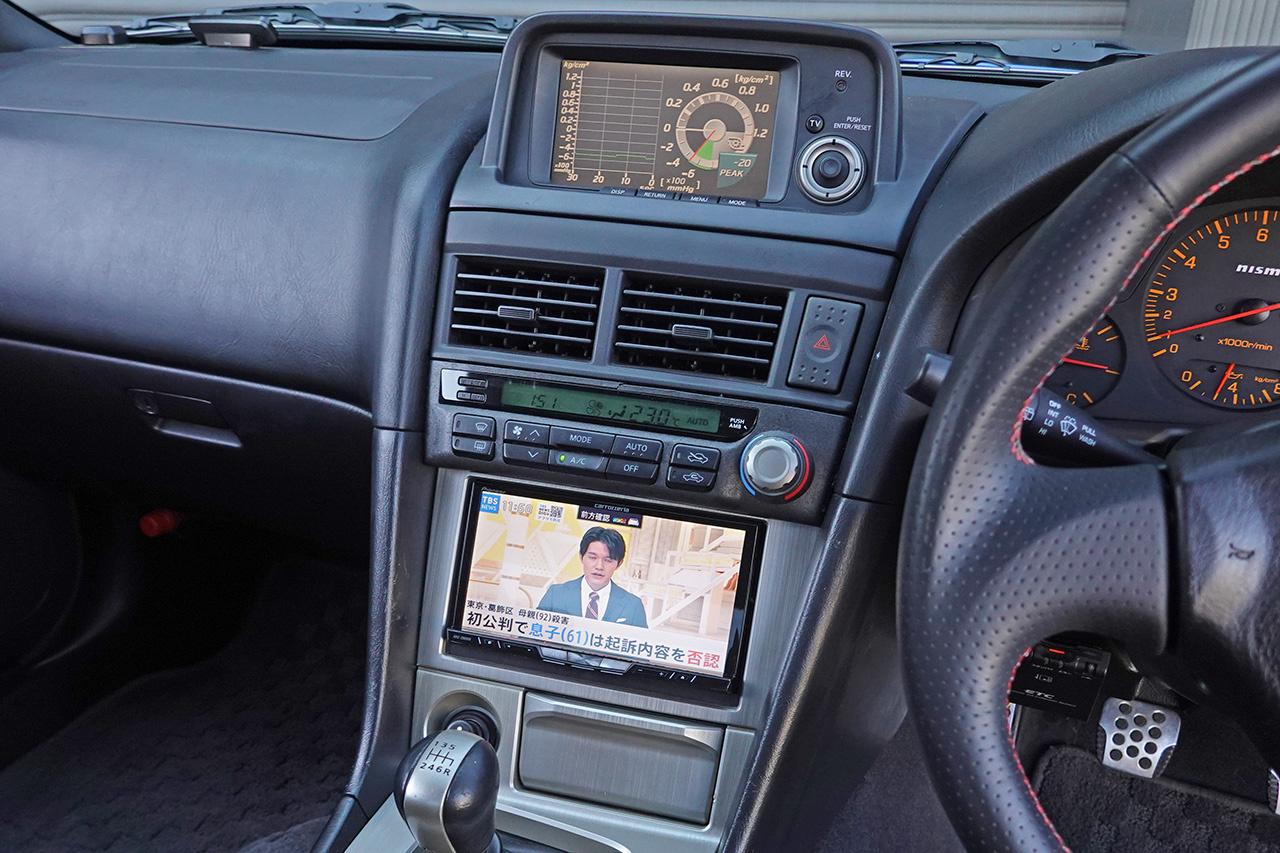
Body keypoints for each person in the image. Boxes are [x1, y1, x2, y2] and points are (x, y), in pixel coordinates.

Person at [537, 527, 648, 627]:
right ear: (581, 557)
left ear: (619, 564)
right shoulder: (555, 594)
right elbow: (534, 635)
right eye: (592, 558)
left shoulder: (633, 605)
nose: (599, 566)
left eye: (607, 560)